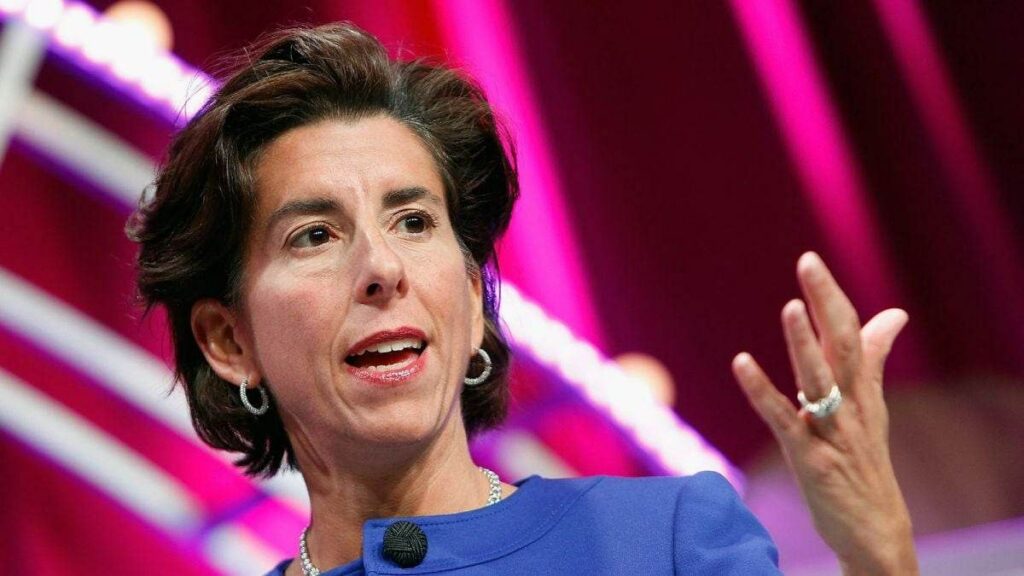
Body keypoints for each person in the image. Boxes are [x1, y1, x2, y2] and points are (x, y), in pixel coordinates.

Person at [128, 23, 918, 575]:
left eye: (414, 220)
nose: (382, 267)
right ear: (229, 341)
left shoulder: (665, 542)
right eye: (314, 235)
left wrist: (878, 555)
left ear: (474, 299)